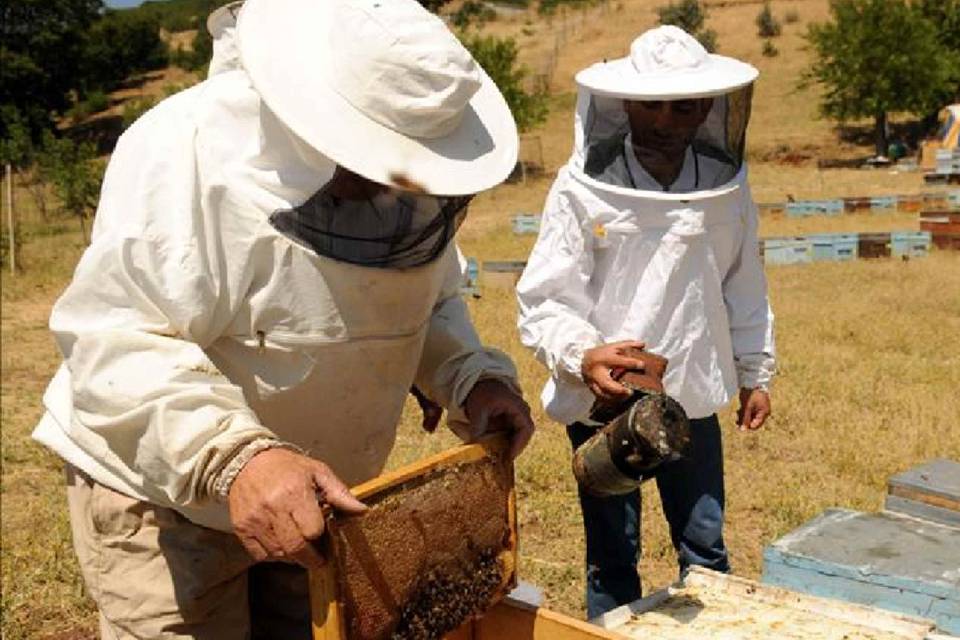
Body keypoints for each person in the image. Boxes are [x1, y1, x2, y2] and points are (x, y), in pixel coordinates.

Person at [29, 0, 534, 637]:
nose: (395, 187)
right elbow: (115, 336)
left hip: (318, 502)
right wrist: (238, 459)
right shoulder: (181, 150)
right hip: (161, 497)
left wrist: (468, 378)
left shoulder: (413, 197)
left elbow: (426, 302)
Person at [516, 26, 776, 618]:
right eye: (651, 106)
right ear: (624, 105)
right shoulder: (580, 188)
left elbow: (744, 284)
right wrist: (584, 354)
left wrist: (755, 370)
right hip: (604, 401)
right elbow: (545, 300)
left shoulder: (726, 188)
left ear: (708, 107)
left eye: (682, 106)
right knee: (612, 554)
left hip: (692, 399)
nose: (664, 122)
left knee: (705, 549)